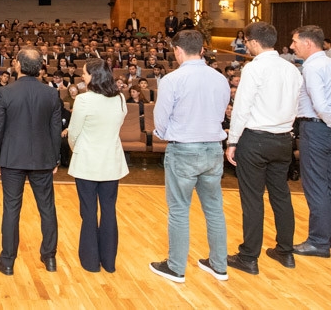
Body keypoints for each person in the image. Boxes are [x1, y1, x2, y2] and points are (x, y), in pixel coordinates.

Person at [149, 30, 230, 284]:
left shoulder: (172, 80)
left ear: (178, 51)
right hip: (213, 148)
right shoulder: (220, 79)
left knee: (179, 210)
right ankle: (219, 265)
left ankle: (176, 267)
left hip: (183, 149)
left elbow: (161, 120)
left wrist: (163, 133)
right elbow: (222, 113)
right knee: (214, 209)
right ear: (202, 50)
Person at [224, 22, 301, 275]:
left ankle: (248, 257)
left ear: (254, 42)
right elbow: (297, 106)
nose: (246, 45)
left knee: (252, 198)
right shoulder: (292, 69)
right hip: (284, 140)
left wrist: (233, 141)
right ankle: (285, 251)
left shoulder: (254, 68)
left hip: (255, 139)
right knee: (281, 195)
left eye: (246, 42)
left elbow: (242, 107)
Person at [0, 47, 61, 276]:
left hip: (12, 158)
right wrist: (56, 158)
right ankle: (49, 258)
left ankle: (7, 261)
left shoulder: (5, 92)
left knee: (11, 209)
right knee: (47, 208)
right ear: (39, 67)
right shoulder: (51, 94)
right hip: (43, 159)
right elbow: (55, 130)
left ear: (17, 64)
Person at [290, 25, 331, 258]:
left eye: (295, 41)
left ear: (308, 43)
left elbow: (320, 105)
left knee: (316, 185)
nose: (292, 46)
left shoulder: (311, 67)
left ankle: (318, 242)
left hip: (316, 128)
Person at [67, 58, 129, 273]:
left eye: (84, 73)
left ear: (93, 76)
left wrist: (77, 149)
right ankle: (109, 262)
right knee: (109, 211)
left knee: (89, 212)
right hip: (111, 162)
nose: (82, 77)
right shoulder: (120, 98)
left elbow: (73, 133)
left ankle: (90, 261)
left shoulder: (83, 100)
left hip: (87, 162)